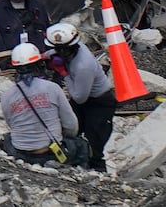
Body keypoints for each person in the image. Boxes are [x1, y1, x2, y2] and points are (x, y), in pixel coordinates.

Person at [0, 42, 90, 167]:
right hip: (50, 151)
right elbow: (71, 124)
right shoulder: (52, 88)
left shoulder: (6, 96)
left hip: (21, 153)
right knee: (81, 145)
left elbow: (12, 124)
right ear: (39, 64)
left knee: (7, 139)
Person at [45, 22, 116, 172]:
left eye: (59, 50)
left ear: (68, 49)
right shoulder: (73, 49)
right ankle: (73, 161)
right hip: (84, 98)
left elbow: (79, 98)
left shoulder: (83, 66)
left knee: (94, 140)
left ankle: (97, 172)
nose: (56, 51)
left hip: (98, 103)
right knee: (71, 130)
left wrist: (64, 74)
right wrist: (44, 56)